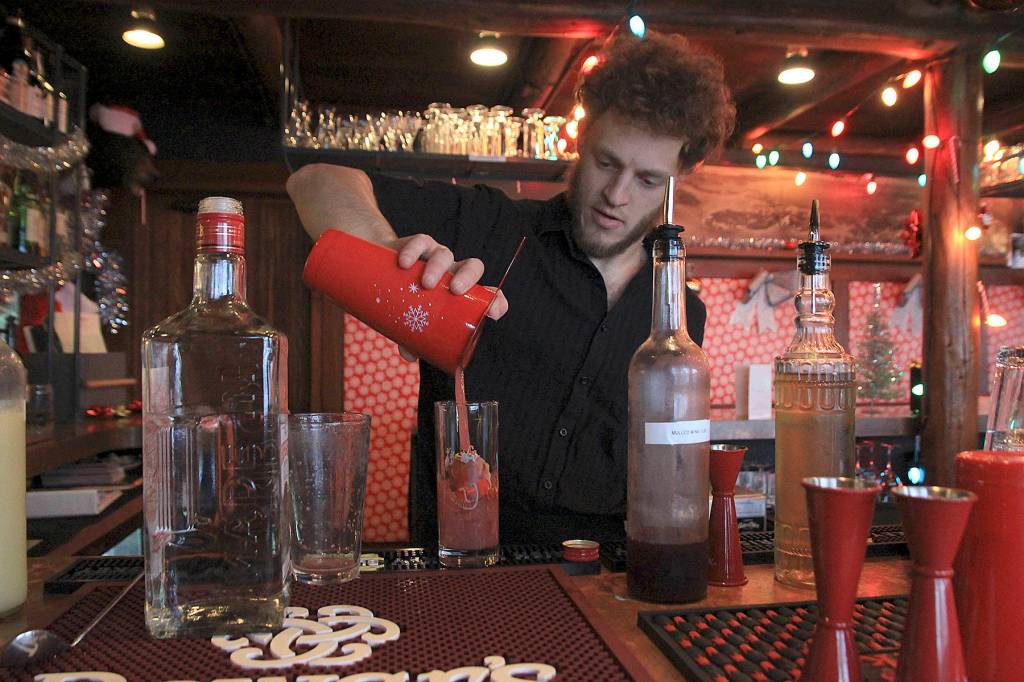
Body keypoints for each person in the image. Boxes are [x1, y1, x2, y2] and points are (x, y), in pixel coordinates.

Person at [287, 30, 736, 545]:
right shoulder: (492, 227)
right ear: (581, 141)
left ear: (679, 176)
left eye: (648, 180)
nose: (617, 194)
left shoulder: (680, 316)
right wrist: (395, 266)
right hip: (462, 565)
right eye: (606, 162)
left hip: (605, 578)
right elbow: (316, 180)